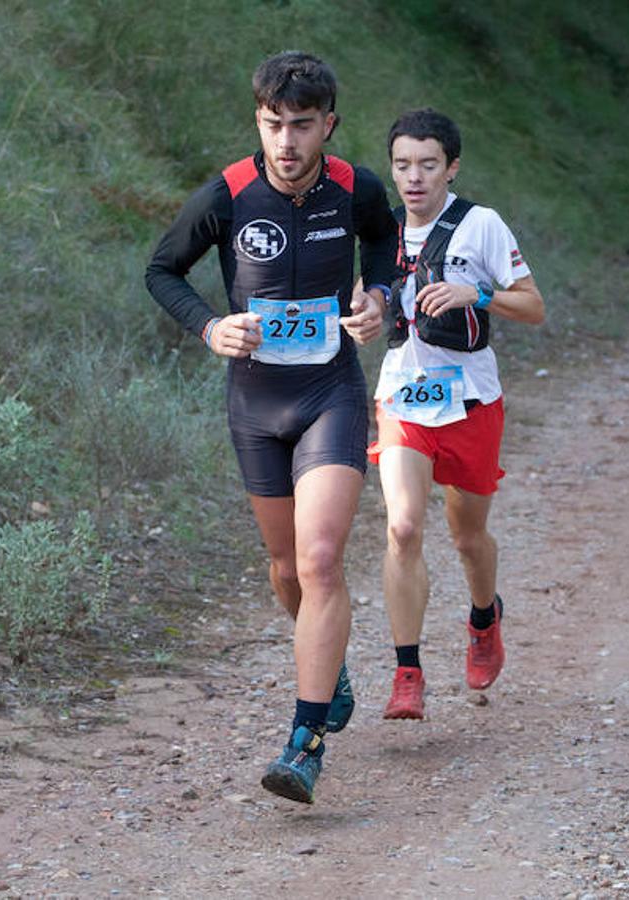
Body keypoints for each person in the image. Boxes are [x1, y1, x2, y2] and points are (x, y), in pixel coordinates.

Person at [145, 51, 397, 803]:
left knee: (320, 561)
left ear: (328, 125)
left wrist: (378, 294)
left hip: (331, 393)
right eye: (272, 124)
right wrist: (208, 327)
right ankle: (333, 665)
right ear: (258, 120)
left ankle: (304, 742)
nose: (285, 141)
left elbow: (384, 241)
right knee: (287, 572)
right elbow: (162, 269)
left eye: (301, 126)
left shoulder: (357, 187)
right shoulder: (227, 192)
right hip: (255, 404)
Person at [368, 109, 545, 720]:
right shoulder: (380, 233)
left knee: (468, 537)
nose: (413, 178)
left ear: (452, 167)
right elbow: (361, 309)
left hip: (471, 399)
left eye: (427, 165)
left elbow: (534, 307)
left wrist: (481, 293)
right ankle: (407, 673)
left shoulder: (481, 226)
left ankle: (483, 618)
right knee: (403, 528)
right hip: (403, 397)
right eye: (402, 165)